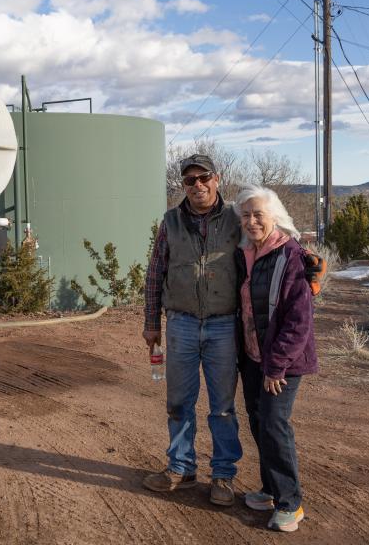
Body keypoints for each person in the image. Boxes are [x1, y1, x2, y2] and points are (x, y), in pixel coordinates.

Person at [142, 154, 242, 506]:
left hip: (224, 324)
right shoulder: (171, 221)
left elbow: (267, 246)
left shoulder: (236, 217)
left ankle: (223, 476)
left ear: (217, 179)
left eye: (204, 178)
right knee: (179, 402)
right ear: (182, 185)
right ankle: (181, 469)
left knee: (223, 407)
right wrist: (151, 322)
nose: (197, 185)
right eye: (189, 180)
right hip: (181, 323)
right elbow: (155, 272)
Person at [234, 185, 318, 533]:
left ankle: (290, 503)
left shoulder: (291, 255)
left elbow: (299, 320)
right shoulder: (246, 253)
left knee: (273, 424)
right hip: (254, 356)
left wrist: (276, 365)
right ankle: (270, 490)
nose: (252, 221)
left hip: (281, 362)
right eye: (246, 215)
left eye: (258, 215)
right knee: (258, 421)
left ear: (274, 217)